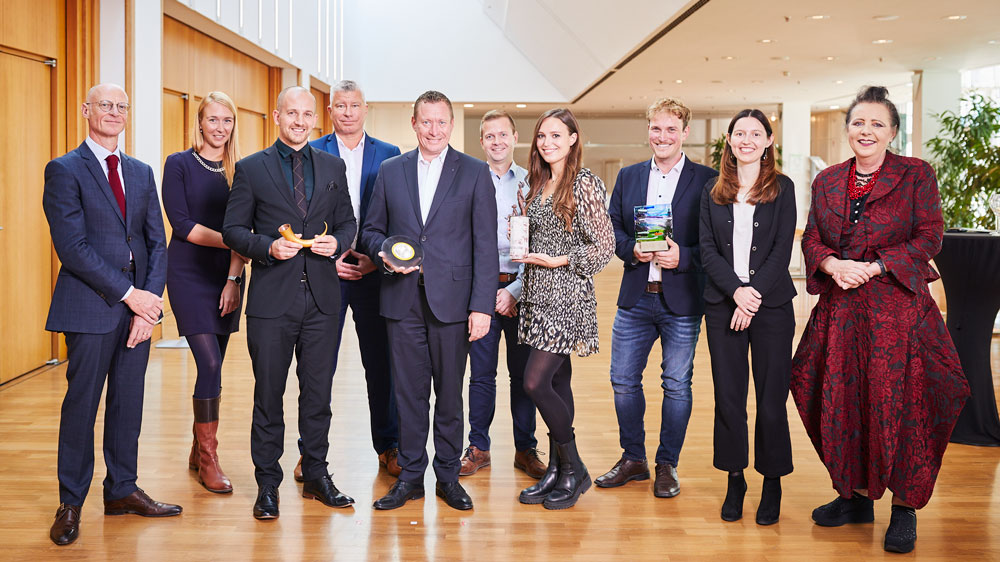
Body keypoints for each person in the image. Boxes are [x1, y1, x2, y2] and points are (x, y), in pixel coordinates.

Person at [790, 85, 970, 554]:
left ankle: (904, 508)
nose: (865, 131)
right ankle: (852, 497)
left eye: (876, 124)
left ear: (892, 132)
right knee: (837, 396)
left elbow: (930, 236)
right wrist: (832, 265)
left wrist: (875, 265)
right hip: (842, 311)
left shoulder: (915, 175)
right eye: (858, 122)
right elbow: (812, 238)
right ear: (848, 130)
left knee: (901, 405)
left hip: (897, 314)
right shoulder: (827, 180)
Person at [43, 83, 180, 546]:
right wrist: (130, 294)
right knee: (81, 406)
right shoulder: (64, 170)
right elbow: (73, 249)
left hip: (138, 313)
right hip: (90, 307)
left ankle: (121, 489)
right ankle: (71, 502)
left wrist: (150, 304)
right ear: (86, 110)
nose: (114, 113)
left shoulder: (140, 172)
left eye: (121, 107)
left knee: (128, 404)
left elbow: (156, 242)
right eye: (105, 105)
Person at [222, 86, 358, 520]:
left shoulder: (333, 166)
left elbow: (348, 223)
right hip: (270, 303)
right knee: (269, 395)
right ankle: (267, 485)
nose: (299, 122)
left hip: (322, 301)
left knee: (317, 395)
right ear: (276, 116)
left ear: (315, 119)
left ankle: (316, 473)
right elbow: (232, 229)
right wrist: (266, 248)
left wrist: (338, 241)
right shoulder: (251, 168)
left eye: (306, 115)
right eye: (291, 113)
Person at [360, 90, 498, 511]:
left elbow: (485, 246)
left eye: (441, 122)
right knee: (408, 394)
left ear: (451, 126)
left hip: (454, 305)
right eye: (426, 121)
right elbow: (370, 231)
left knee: (450, 395)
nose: (433, 130)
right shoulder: (390, 170)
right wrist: (386, 251)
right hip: (401, 302)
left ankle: (448, 477)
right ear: (414, 124)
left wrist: (481, 307)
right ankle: (411, 478)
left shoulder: (474, 172)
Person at [601, 98, 718, 498]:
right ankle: (633, 458)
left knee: (676, 384)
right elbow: (612, 228)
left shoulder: (708, 179)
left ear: (685, 133)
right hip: (636, 295)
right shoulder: (630, 176)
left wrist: (682, 256)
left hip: (682, 300)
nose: (662, 136)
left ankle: (667, 464)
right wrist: (631, 248)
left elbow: (716, 245)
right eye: (656, 128)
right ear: (648, 130)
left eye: (671, 129)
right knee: (622, 381)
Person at [293, 79, 402, 481]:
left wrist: (378, 260)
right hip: (326, 272)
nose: (348, 113)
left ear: (365, 109)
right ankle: (310, 452)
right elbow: (300, 212)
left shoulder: (389, 154)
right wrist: (330, 256)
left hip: (375, 273)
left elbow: (399, 215)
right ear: (330, 111)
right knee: (317, 365)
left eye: (355, 106)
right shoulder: (311, 151)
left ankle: (389, 446)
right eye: (340, 106)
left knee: (382, 365)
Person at [699, 109, 797, 525]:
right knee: (729, 398)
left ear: (769, 141)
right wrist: (736, 294)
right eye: (740, 133)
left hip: (771, 307)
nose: (747, 139)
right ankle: (735, 478)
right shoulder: (712, 190)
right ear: (729, 139)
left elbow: (781, 249)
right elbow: (706, 250)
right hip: (723, 305)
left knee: (771, 400)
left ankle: (771, 481)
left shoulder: (783, 188)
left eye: (756, 133)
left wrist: (751, 298)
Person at [514, 108, 615, 510]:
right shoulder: (536, 182)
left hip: (566, 295)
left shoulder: (584, 183)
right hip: (537, 294)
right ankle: (558, 469)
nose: (548, 142)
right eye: (542, 136)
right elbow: (532, 235)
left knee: (535, 383)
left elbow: (604, 246)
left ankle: (574, 468)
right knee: (557, 384)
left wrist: (562, 260)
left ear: (573, 139)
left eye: (557, 135)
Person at [162, 91, 245, 494]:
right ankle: (210, 458)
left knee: (215, 366)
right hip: (187, 274)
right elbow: (182, 225)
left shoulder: (238, 171)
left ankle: (198, 449)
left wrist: (233, 279)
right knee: (209, 364)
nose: (220, 128)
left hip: (225, 276)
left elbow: (244, 230)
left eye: (227, 120)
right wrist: (232, 241)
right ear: (199, 122)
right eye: (213, 119)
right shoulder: (178, 164)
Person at [459, 109, 545, 480]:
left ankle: (525, 449)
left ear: (515, 137)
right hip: (478, 292)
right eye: (489, 136)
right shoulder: (465, 181)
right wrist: (485, 294)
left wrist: (513, 290)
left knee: (523, 375)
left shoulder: (534, 183)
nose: (496, 142)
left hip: (523, 288)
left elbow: (541, 242)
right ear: (482, 142)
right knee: (481, 375)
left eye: (502, 135)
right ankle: (479, 447)